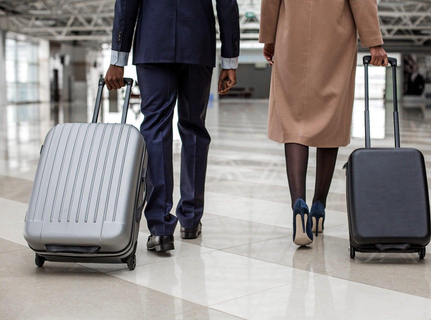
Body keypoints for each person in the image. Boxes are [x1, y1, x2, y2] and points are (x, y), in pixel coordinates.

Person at [105, 0, 240, 252]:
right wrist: (229, 60)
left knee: (155, 129)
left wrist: (118, 57)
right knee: (194, 129)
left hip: (153, 43)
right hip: (197, 45)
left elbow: (126, 4)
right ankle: (190, 219)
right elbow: (227, 5)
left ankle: (160, 228)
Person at [260, 0, 388, 246]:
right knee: (330, 119)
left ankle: (298, 204)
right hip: (334, 38)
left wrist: (269, 36)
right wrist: (374, 42)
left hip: (291, 36)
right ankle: (319, 207)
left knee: (293, 121)